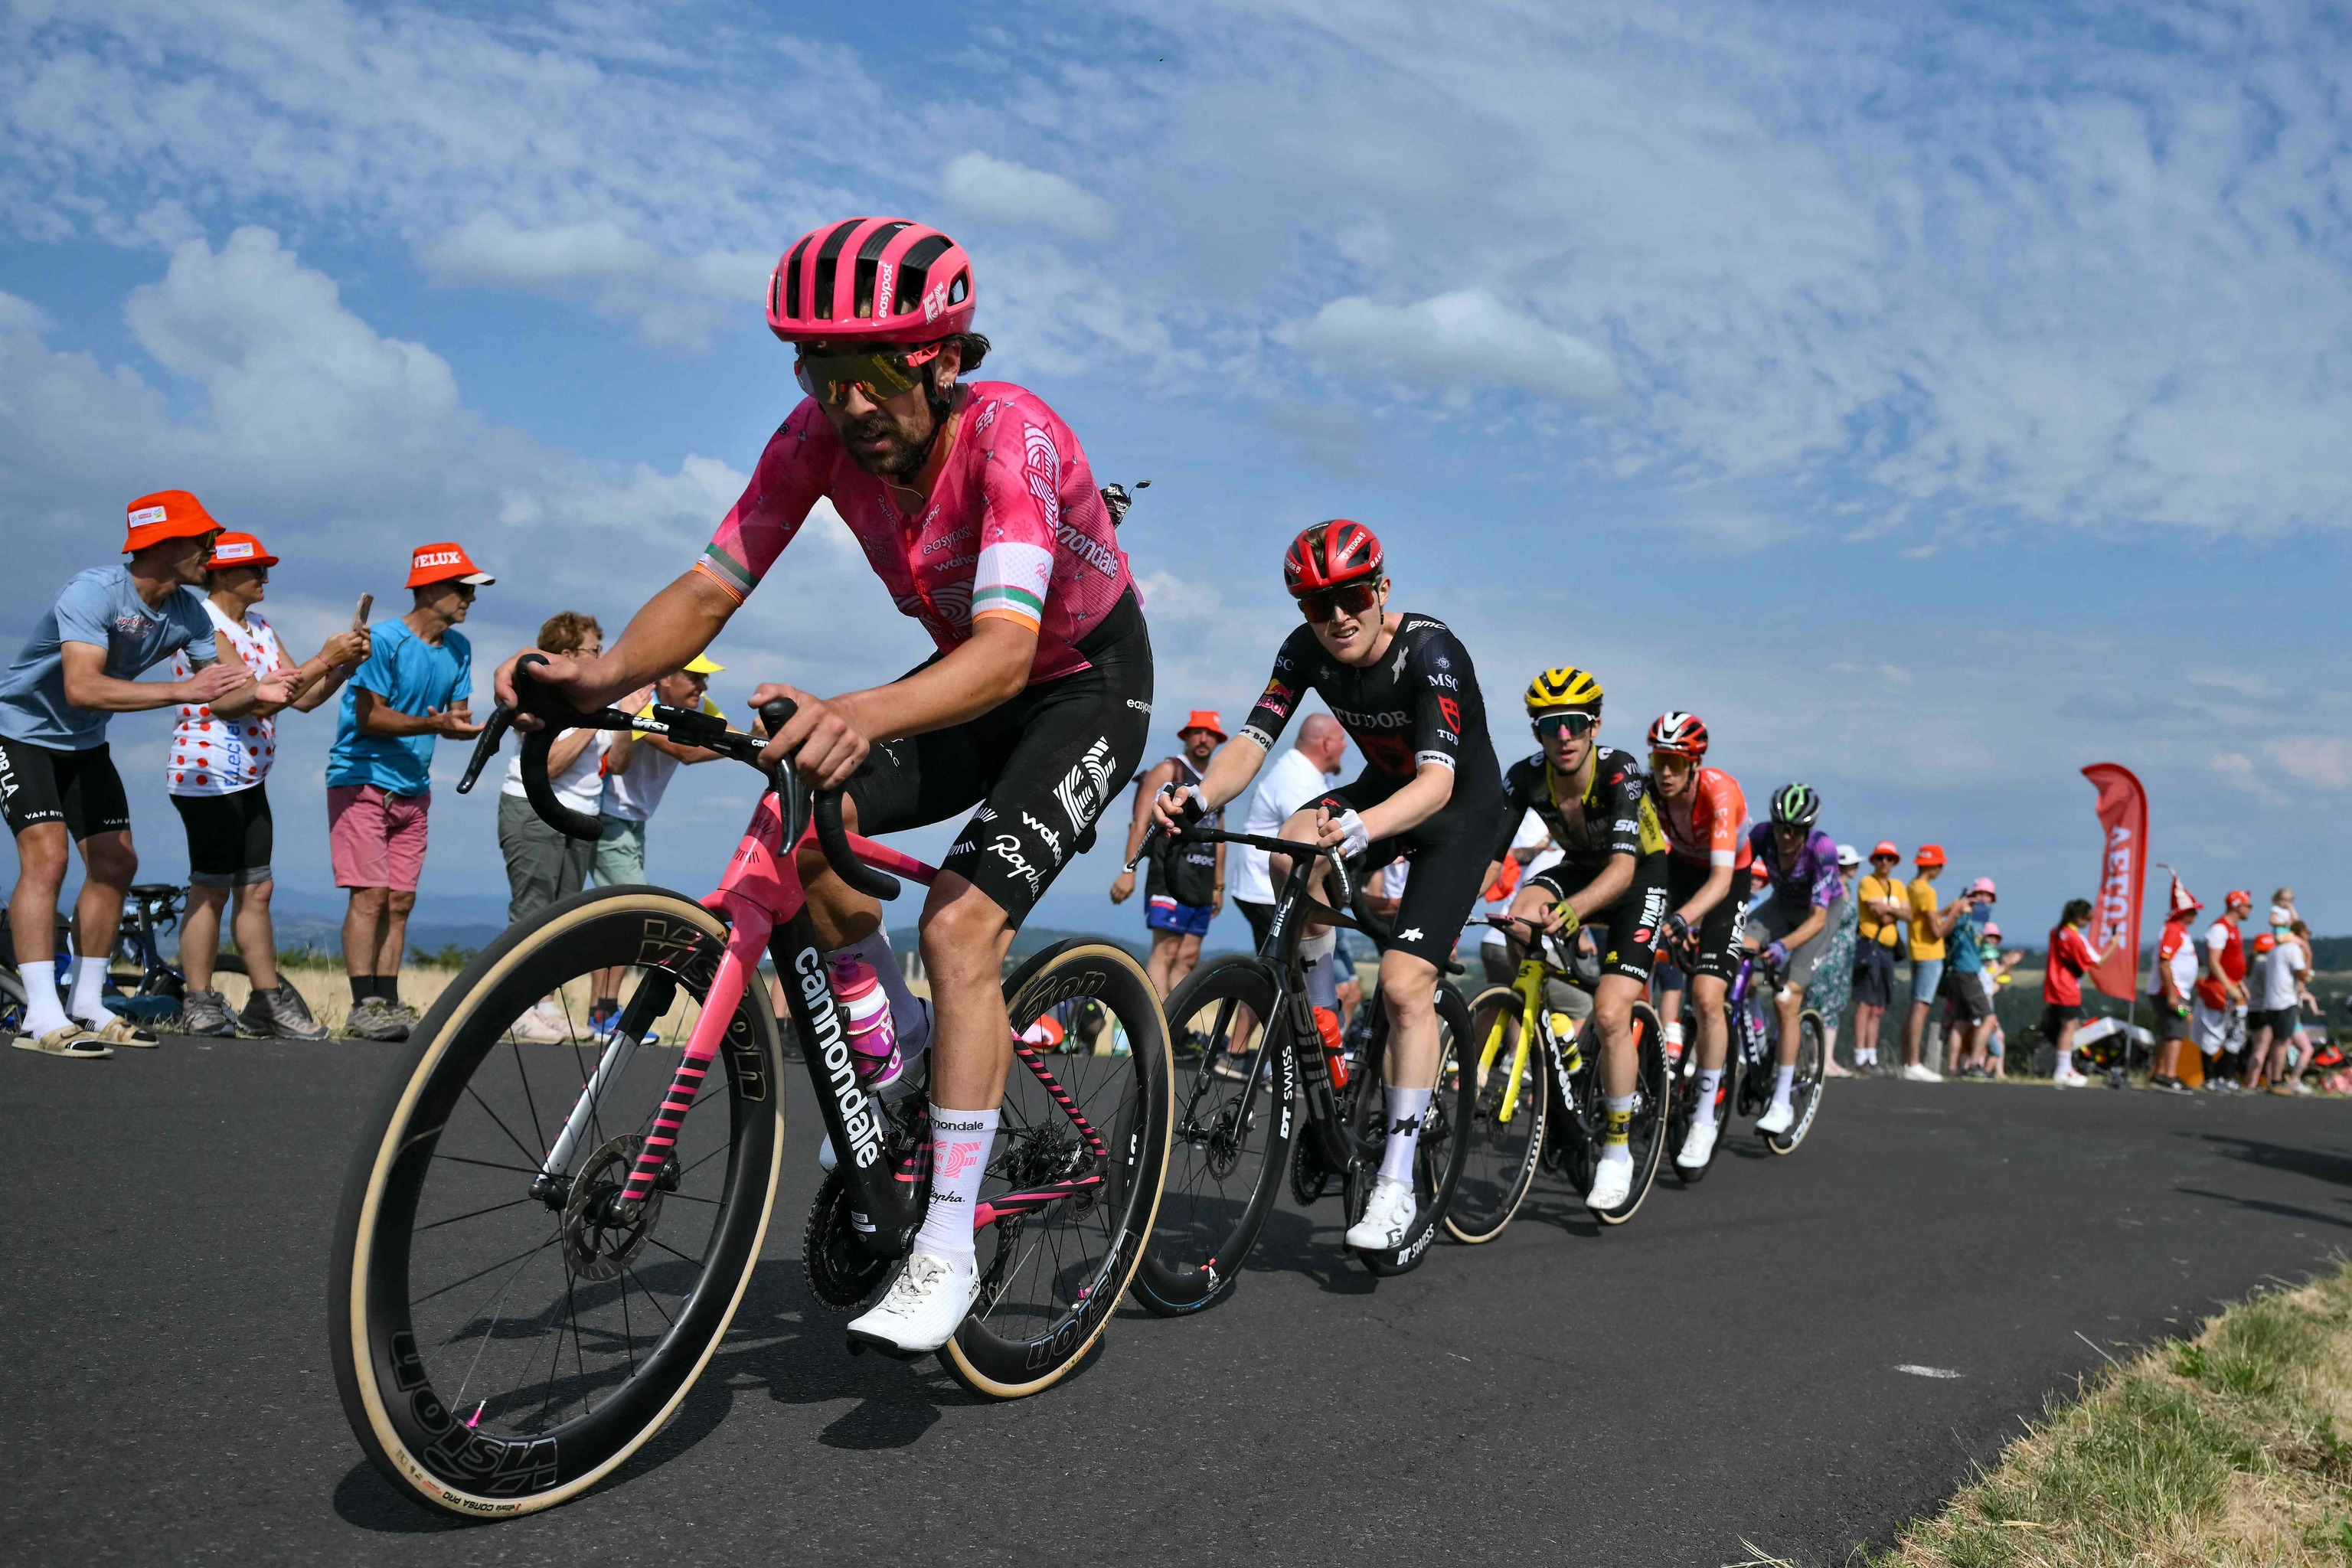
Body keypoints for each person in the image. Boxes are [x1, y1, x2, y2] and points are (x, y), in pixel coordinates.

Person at [495, 217, 1152, 1354]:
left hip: (1078, 684)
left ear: (942, 360)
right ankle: (899, 1055)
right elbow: (711, 587)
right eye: (820, 375)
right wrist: (596, 677)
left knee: (960, 929)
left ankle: (945, 1241)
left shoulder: (1016, 440)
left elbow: (1004, 653)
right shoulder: (814, 440)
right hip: (971, 681)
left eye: (870, 378)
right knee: (797, 822)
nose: (846, 406)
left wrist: (856, 710)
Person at [1154, 519, 1504, 1253]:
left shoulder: (1432, 651)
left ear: (1381, 591)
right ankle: (1325, 1030)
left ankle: (1397, 1186)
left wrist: (1363, 828)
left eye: (1350, 596)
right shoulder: (1304, 649)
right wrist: (1199, 799)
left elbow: (1437, 781)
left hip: (1456, 810)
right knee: (1288, 850)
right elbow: (1251, 742)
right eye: (1318, 605)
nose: (1337, 617)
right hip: (1386, 787)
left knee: (1407, 988)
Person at [2, 491, 281, 1058]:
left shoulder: (185, 611)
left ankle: (86, 1004)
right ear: (162, 544)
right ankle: (40, 1014)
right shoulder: (94, 592)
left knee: (116, 860)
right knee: (49, 856)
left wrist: (267, 693)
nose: (212, 550)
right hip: (20, 733)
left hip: (84, 742)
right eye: (202, 540)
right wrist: (184, 690)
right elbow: (83, 686)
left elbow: (224, 697)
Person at [165, 531, 369, 1040]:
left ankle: (265, 1001)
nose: (265, 578)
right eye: (254, 569)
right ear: (223, 573)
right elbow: (251, 696)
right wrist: (325, 657)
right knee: (211, 887)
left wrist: (344, 666)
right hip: (206, 774)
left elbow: (298, 698)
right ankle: (199, 999)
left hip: (249, 773)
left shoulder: (258, 625)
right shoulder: (200, 623)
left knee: (257, 888)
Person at [1490, 665, 1668, 1211]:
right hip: (1581, 866)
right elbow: (1490, 859)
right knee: (1518, 916)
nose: (1562, 736)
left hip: (1636, 875)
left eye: (1572, 723)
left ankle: (1617, 1149)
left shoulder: (1620, 771)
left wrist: (1572, 911)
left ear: (1593, 725)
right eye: (1549, 725)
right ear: (1536, 732)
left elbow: (1619, 869)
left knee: (1614, 1013)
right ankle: (1551, 1029)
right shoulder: (1525, 776)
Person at [327, 542, 492, 1043]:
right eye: (462, 589)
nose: (470, 599)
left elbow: (454, 717)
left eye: (471, 590)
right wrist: (436, 724)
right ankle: (364, 1006)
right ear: (429, 588)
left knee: (400, 900)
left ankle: (389, 1003)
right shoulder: (383, 640)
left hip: (413, 787)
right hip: (362, 778)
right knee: (370, 895)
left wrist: (467, 727)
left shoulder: (460, 650)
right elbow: (368, 716)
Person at [584, 654, 729, 1041]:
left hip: (633, 823)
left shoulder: (696, 707)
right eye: (694, 677)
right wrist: (743, 743)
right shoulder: (641, 706)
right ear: (665, 676)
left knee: (618, 915)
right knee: (635, 912)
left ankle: (601, 1013)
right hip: (611, 821)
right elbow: (687, 752)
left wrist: (741, 736)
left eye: (705, 680)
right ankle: (605, 1015)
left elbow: (723, 729)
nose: (702, 688)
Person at [1638, 712, 1752, 1173]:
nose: (1665, 772)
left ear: (1694, 763)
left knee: (1707, 996)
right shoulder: (1649, 791)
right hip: (1682, 869)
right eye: (1659, 760)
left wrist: (1684, 919)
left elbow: (1722, 880)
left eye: (1675, 763)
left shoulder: (1720, 794)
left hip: (1726, 880)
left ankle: (1705, 1116)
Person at [1219, 711, 1347, 1077]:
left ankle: (1242, 1054)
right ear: (1325, 744)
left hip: (1264, 885)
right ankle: (1247, 1056)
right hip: (1270, 887)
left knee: (1280, 969)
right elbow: (1317, 843)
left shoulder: (1302, 772)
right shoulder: (1299, 778)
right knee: (1281, 971)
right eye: (1341, 740)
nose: (1345, 747)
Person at [1740, 784, 1846, 1128]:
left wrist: (1785, 946)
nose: (1786, 836)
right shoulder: (1762, 835)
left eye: (1795, 829)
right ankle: (1754, 1026)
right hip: (1782, 904)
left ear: (1807, 828)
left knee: (1786, 999)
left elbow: (1817, 918)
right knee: (1732, 958)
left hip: (1821, 913)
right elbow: (1734, 875)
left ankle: (1782, 1101)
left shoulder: (1822, 848)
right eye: (1780, 826)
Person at [1112, 711, 1227, 998]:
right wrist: (1129, 870)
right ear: (1186, 736)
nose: (1203, 739)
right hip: (1168, 872)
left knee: (1188, 955)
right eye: (1197, 732)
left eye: (1210, 734)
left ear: (1217, 740)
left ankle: (1176, 1031)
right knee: (1166, 949)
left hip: (1201, 878)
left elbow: (1220, 835)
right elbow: (1140, 821)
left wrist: (1218, 886)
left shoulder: (1216, 778)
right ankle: (1155, 1030)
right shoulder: (1169, 770)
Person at [2041, 897, 2120, 1088]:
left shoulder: (2057, 932)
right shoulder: (2075, 938)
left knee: (2065, 1027)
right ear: (2078, 917)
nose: (2090, 922)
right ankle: (2063, 1069)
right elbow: (2097, 962)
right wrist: (2113, 944)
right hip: (2067, 988)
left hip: (2054, 985)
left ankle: (2065, 1067)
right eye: (2088, 919)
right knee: (2069, 1027)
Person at [1900, 844, 1960, 1082]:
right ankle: (1913, 1062)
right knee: (1921, 1007)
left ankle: (1908, 1060)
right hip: (1930, 953)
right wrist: (1954, 914)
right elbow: (1937, 932)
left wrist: (1945, 910)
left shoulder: (1913, 887)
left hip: (1917, 951)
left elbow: (1925, 918)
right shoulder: (1927, 891)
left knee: (1915, 1006)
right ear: (1934, 866)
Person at [1851, 841, 1906, 1073]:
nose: (1885, 862)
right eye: (1881, 858)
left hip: (1888, 952)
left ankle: (1872, 1056)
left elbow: (1910, 914)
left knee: (1879, 1006)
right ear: (1874, 861)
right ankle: (1860, 1055)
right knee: (1865, 1003)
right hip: (1870, 946)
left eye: (1889, 858)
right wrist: (1896, 912)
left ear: (1894, 862)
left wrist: (1889, 911)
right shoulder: (1867, 882)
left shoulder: (1898, 886)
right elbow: (1877, 913)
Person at [2194, 889, 2252, 1092]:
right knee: (2214, 1033)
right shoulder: (2220, 929)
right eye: (2248, 905)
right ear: (2237, 906)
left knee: (2235, 1035)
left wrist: (2241, 986)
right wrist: (2230, 987)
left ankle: (2226, 1076)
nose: (2250, 910)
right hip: (2220, 991)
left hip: (2234, 990)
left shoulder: (2235, 929)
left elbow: (2233, 964)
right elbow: (2214, 962)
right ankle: (2209, 1078)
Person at [1811, 844, 1862, 1076]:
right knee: (1819, 1003)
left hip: (1844, 956)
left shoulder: (1848, 888)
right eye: (1853, 864)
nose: (1856, 868)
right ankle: (1814, 1058)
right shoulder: (1830, 888)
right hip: (1828, 953)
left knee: (1835, 1005)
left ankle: (1827, 1058)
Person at [2148, 876, 2201, 1093]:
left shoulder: (2178, 930)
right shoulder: (2173, 930)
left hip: (2177, 991)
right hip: (2172, 993)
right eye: (2193, 911)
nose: (2196, 915)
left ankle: (2159, 1072)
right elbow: (2165, 960)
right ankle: (2168, 1075)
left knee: (2171, 1030)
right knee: (2177, 1030)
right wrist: (2171, 994)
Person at [1939, 877, 1998, 1076]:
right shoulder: (1967, 913)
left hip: (1959, 970)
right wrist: (1959, 908)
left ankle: (1953, 1068)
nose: (1983, 899)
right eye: (1980, 894)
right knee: (1988, 1018)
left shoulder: (1977, 914)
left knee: (1962, 1021)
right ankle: (1974, 1065)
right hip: (1967, 971)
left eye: (1987, 896)